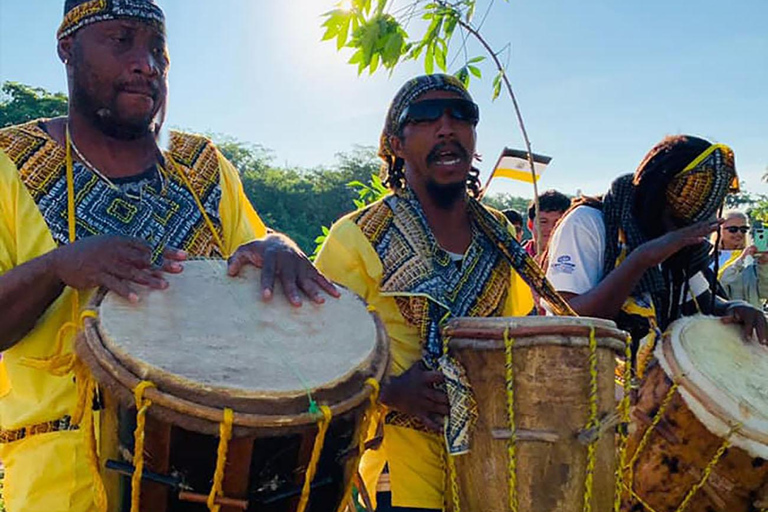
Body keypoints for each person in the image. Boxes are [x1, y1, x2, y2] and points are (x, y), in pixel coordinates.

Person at [0, 1, 336, 511]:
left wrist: (281, 247)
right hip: (62, 482)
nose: (146, 63)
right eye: (122, 40)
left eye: (158, 48)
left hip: (216, 475)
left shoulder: (205, 169)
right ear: (67, 49)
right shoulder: (11, 165)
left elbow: (259, 252)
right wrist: (57, 267)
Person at [315, 74, 570, 511]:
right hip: (400, 470)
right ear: (396, 143)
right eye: (427, 117)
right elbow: (315, 353)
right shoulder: (358, 236)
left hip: (492, 462)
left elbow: (517, 332)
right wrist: (387, 390)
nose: (447, 127)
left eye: (461, 116)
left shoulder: (498, 232)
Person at [545, 135, 767, 377]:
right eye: (673, 219)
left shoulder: (681, 240)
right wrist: (642, 259)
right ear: (656, 198)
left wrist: (736, 307)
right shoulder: (589, 222)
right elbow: (569, 320)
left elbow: (702, 301)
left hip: (651, 393)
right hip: (582, 386)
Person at [714, 211, 768, 307]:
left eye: (743, 229)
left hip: (750, 318)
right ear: (720, 230)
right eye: (733, 229)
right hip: (719, 317)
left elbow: (764, 292)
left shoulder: (753, 259)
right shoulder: (709, 257)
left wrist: (764, 265)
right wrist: (741, 260)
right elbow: (718, 287)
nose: (739, 233)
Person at [523, 189, 570, 260]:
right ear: (530, 224)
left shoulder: (577, 259)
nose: (550, 228)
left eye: (557, 223)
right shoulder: (513, 260)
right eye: (543, 222)